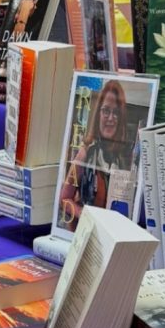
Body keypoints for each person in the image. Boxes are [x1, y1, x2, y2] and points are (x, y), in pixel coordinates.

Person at [58, 79, 133, 232]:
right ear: (99, 113)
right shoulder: (86, 152)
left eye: (116, 113)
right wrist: (86, 216)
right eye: (106, 110)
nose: (110, 118)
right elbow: (64, 200)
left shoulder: (125, 159)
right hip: (85, 233)